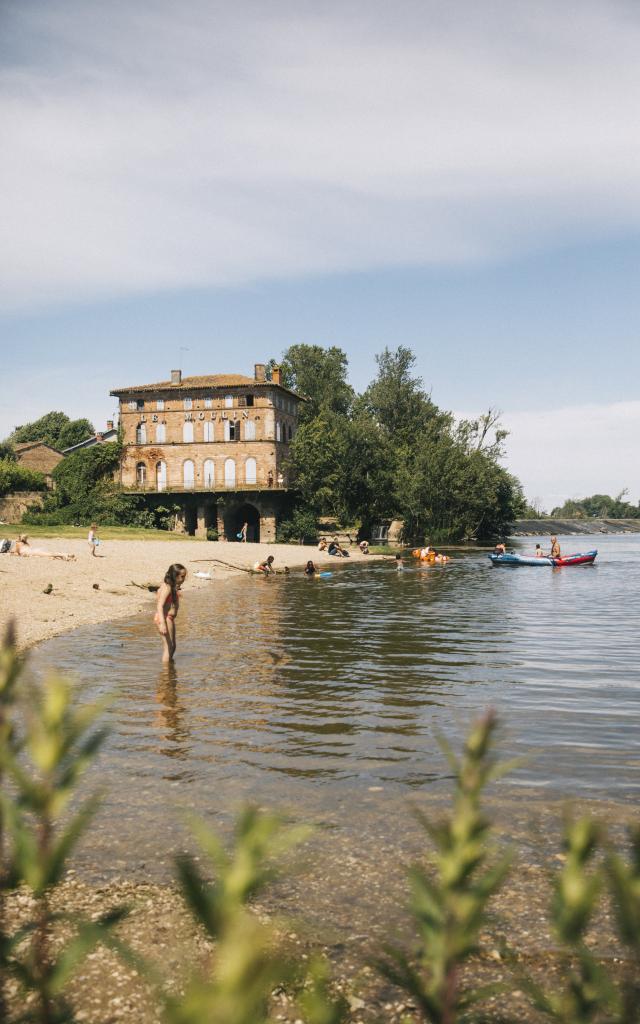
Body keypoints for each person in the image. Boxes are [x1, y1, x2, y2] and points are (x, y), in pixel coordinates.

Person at [154, 563, 187, 663]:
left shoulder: (171, 587)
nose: (184, 579)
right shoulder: (167, 588)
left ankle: (170, 670)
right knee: (168, 648)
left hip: (169, 618)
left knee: (172, 646)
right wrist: (162, 624)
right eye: (182, 576)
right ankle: (166, 675)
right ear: (175, 576)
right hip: (164, 618)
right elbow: (159, 605)